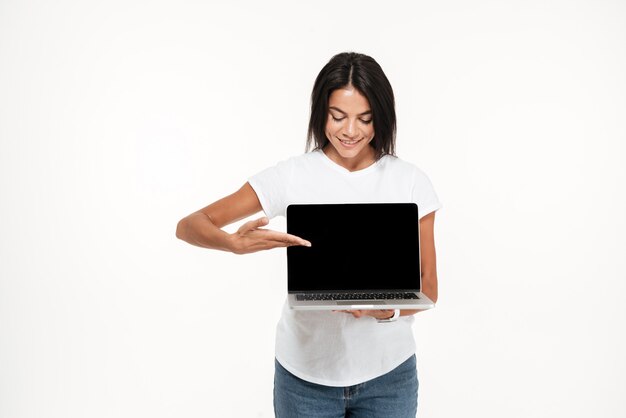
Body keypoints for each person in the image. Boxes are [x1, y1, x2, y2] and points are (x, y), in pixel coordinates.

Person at [176, 51, 441, 418]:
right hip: (304, 380)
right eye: (338, 117)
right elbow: (190, 224)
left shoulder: (410, 181)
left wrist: (386, 310)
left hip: (389, 377)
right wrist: (233, 244)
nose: (351, 131)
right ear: (321, 113)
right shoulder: (291, 176)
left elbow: (429, 287)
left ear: (382, 117)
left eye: (365, 119)